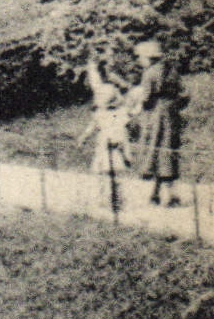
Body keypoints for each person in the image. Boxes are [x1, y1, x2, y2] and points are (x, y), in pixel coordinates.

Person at [127, 40, 182, 206]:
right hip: (171, 116)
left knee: (156, 151)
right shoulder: (172, 71)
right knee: (167, 152)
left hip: (155, 116)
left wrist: (133, 112)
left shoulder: (149, 73)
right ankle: (157, 194)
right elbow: (184, 94)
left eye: (140, 57)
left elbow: (145, 98)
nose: (138, 61)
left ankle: (170, 197)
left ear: (148, 57)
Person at [78, 58, 131, 207]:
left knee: (109, 173)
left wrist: (84, 137)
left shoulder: (106, 99)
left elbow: (96, 124)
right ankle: (111, 199)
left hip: (110, 143)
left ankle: (113, 199)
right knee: (109, 173)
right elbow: (95, 124)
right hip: (109, 143)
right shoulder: (112, 109)